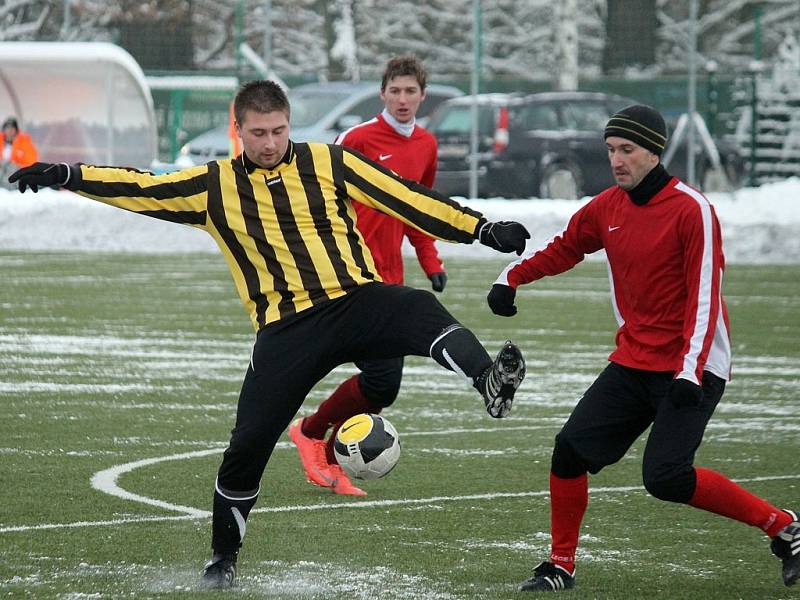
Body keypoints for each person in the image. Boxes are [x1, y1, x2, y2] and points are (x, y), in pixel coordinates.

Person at [9, 79, 530, 590]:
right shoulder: (214, 185)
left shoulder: (329, 162)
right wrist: (67, 173)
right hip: (287, 329)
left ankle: (488, 381)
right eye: (257, 133)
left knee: (417, 305)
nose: (269, 143)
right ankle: (222, 559)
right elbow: (143, 187)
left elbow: (407, 199)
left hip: (357, 299)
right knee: (248, 445)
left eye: (278, 131)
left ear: (289, 126)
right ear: (238, 130)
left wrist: (482, 227)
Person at [486, 104, 800, 592]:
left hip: (691, 366)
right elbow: (567, 245)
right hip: (634, 359)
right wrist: (511, 278)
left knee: (666, 477)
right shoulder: (607, 205)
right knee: (569, 450)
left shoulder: (692, 209)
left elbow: (705, 298)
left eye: (627, 150)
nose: (616, 160)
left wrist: (691, 372)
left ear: (654, 151)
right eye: (610, 149)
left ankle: (784, 528)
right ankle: (561, 565)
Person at [288, 55, 447, 496]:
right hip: (348, 274)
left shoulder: (426, 146)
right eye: (394, 90)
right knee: (375, 377)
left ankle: (317, 440)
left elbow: (418, 208)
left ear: (422, 95)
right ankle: (313, 435)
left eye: (410, 91)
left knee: (381, 383)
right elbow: (318, 191)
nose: (402, 99)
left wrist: (430, 260)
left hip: (390, 279)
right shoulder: (356, 138)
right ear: (382, 93)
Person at [1, 117, 38, 187]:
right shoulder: (1, 142)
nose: (9, 131)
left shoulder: (25, 143)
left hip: (17, 174)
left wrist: (13, 166)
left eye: (12, 128)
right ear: (4, 130)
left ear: (16, 130)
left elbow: (31, 163)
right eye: (7, 128)